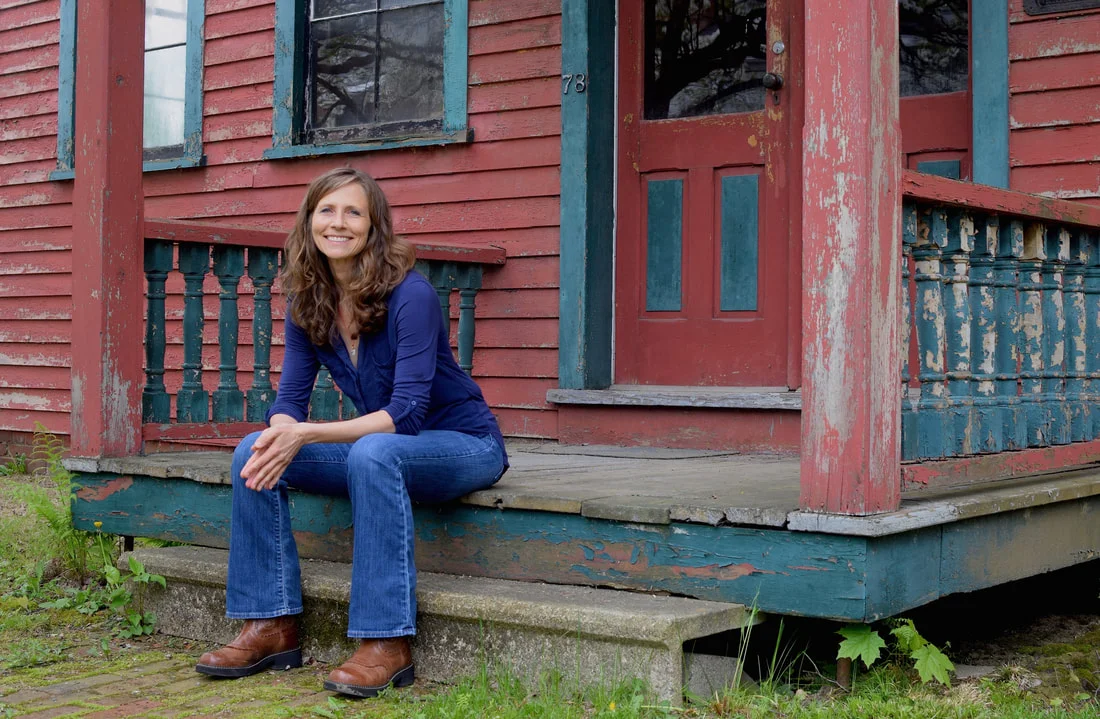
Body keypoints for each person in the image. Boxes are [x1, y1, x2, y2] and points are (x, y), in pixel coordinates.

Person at [194, 167, 508, 698]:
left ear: (373, 225)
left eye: (353, 212)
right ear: (309, 221)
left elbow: (407, 414)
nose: (338, 223)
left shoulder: (411, 294)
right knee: (253, 449)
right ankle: (270, 624)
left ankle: (385, 641)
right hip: (383, 450)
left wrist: (306, 435)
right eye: (327, 211)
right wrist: (283, 433)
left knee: (374, 452)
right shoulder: (307, 300)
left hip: (463, 445)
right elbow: (289, 403)